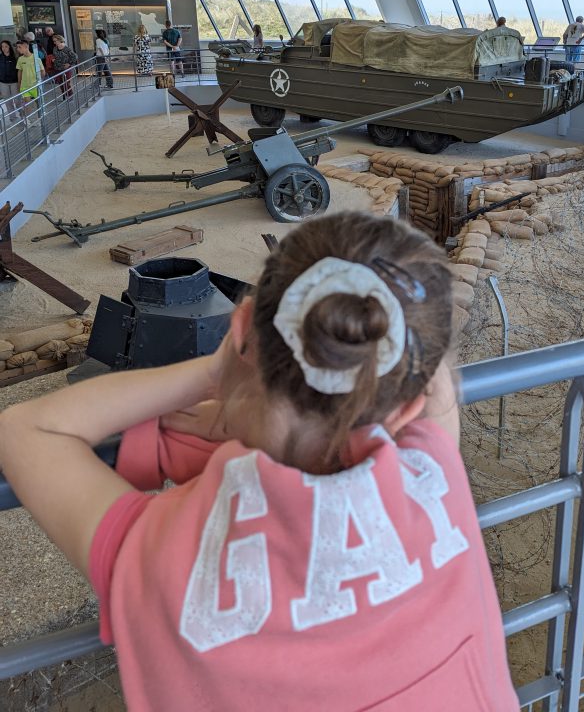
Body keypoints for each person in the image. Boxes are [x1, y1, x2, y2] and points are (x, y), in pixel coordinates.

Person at [0, 213, 520, 712]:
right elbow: (437, 380)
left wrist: (213, 373)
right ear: (405, 402)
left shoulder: (162, 555)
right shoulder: (435, 477)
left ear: (241, 325)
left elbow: (26, 429)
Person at [15, 39, 45, 115]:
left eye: (19, 47)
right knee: (27, 104)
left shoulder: (36, 58)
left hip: (35, 85)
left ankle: (40, 118)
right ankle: (28, 121)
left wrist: (39, 81)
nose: (17, 49)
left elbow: (42, 71)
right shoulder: (20, 59)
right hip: (24, 86)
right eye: (17, 47)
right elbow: (20, 72)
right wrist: (19, 83)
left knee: (39, 103)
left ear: (26, 47)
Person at [0, 39, 22, 122]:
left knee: (17, 101)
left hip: (14, 82)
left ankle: (22, 115)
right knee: (8, 101)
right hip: (3, 83)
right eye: (2, 47)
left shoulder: (15, 57)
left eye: (6, 46)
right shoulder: (0, 57)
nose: (4, 48)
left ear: (9, 47)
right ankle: (12, 118)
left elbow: (19, 70)